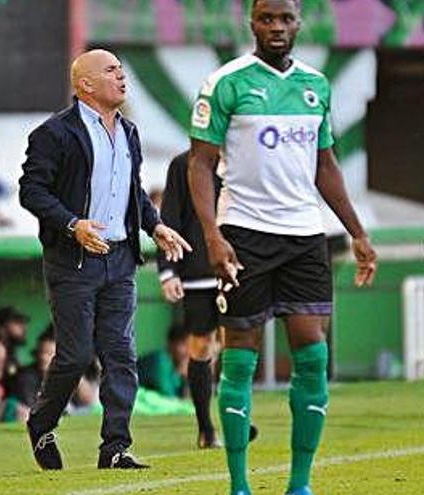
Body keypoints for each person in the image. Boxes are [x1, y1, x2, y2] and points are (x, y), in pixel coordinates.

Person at [187, 2, 378, 494]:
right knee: (240, 360)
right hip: (244, 234)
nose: (276, 27)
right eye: (266, 18)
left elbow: (326, 165)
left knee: (312, 357)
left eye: (285, 19)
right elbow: (200, 164)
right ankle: (239, 486)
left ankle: (300, 484)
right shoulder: (225, 82)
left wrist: (357, 232)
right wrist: (213, 234)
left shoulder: (316, 84)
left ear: (298, 23)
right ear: (251, 23)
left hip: (304, 236)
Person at [19, 48, 191, 471]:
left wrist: (156, 226)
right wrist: (72, 223)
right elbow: (31, 191)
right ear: (86, 84)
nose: (122, 74)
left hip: (120, 259)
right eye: (112, 69)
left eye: (121, 68)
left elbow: (132, 193)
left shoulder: (129, 131)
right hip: (73, 259)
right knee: (75, 356)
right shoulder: (54, 133)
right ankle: (42, 423)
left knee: (121, 356)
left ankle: (115, 448)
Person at [157, 150, 224, 448]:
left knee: (239, 342)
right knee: (200, 346)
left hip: (238, 271)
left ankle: (236, 418)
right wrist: (167, 271)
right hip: (198, 273)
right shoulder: (182, 164)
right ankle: (206, 428)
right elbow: (169, 218)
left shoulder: (245, 158)